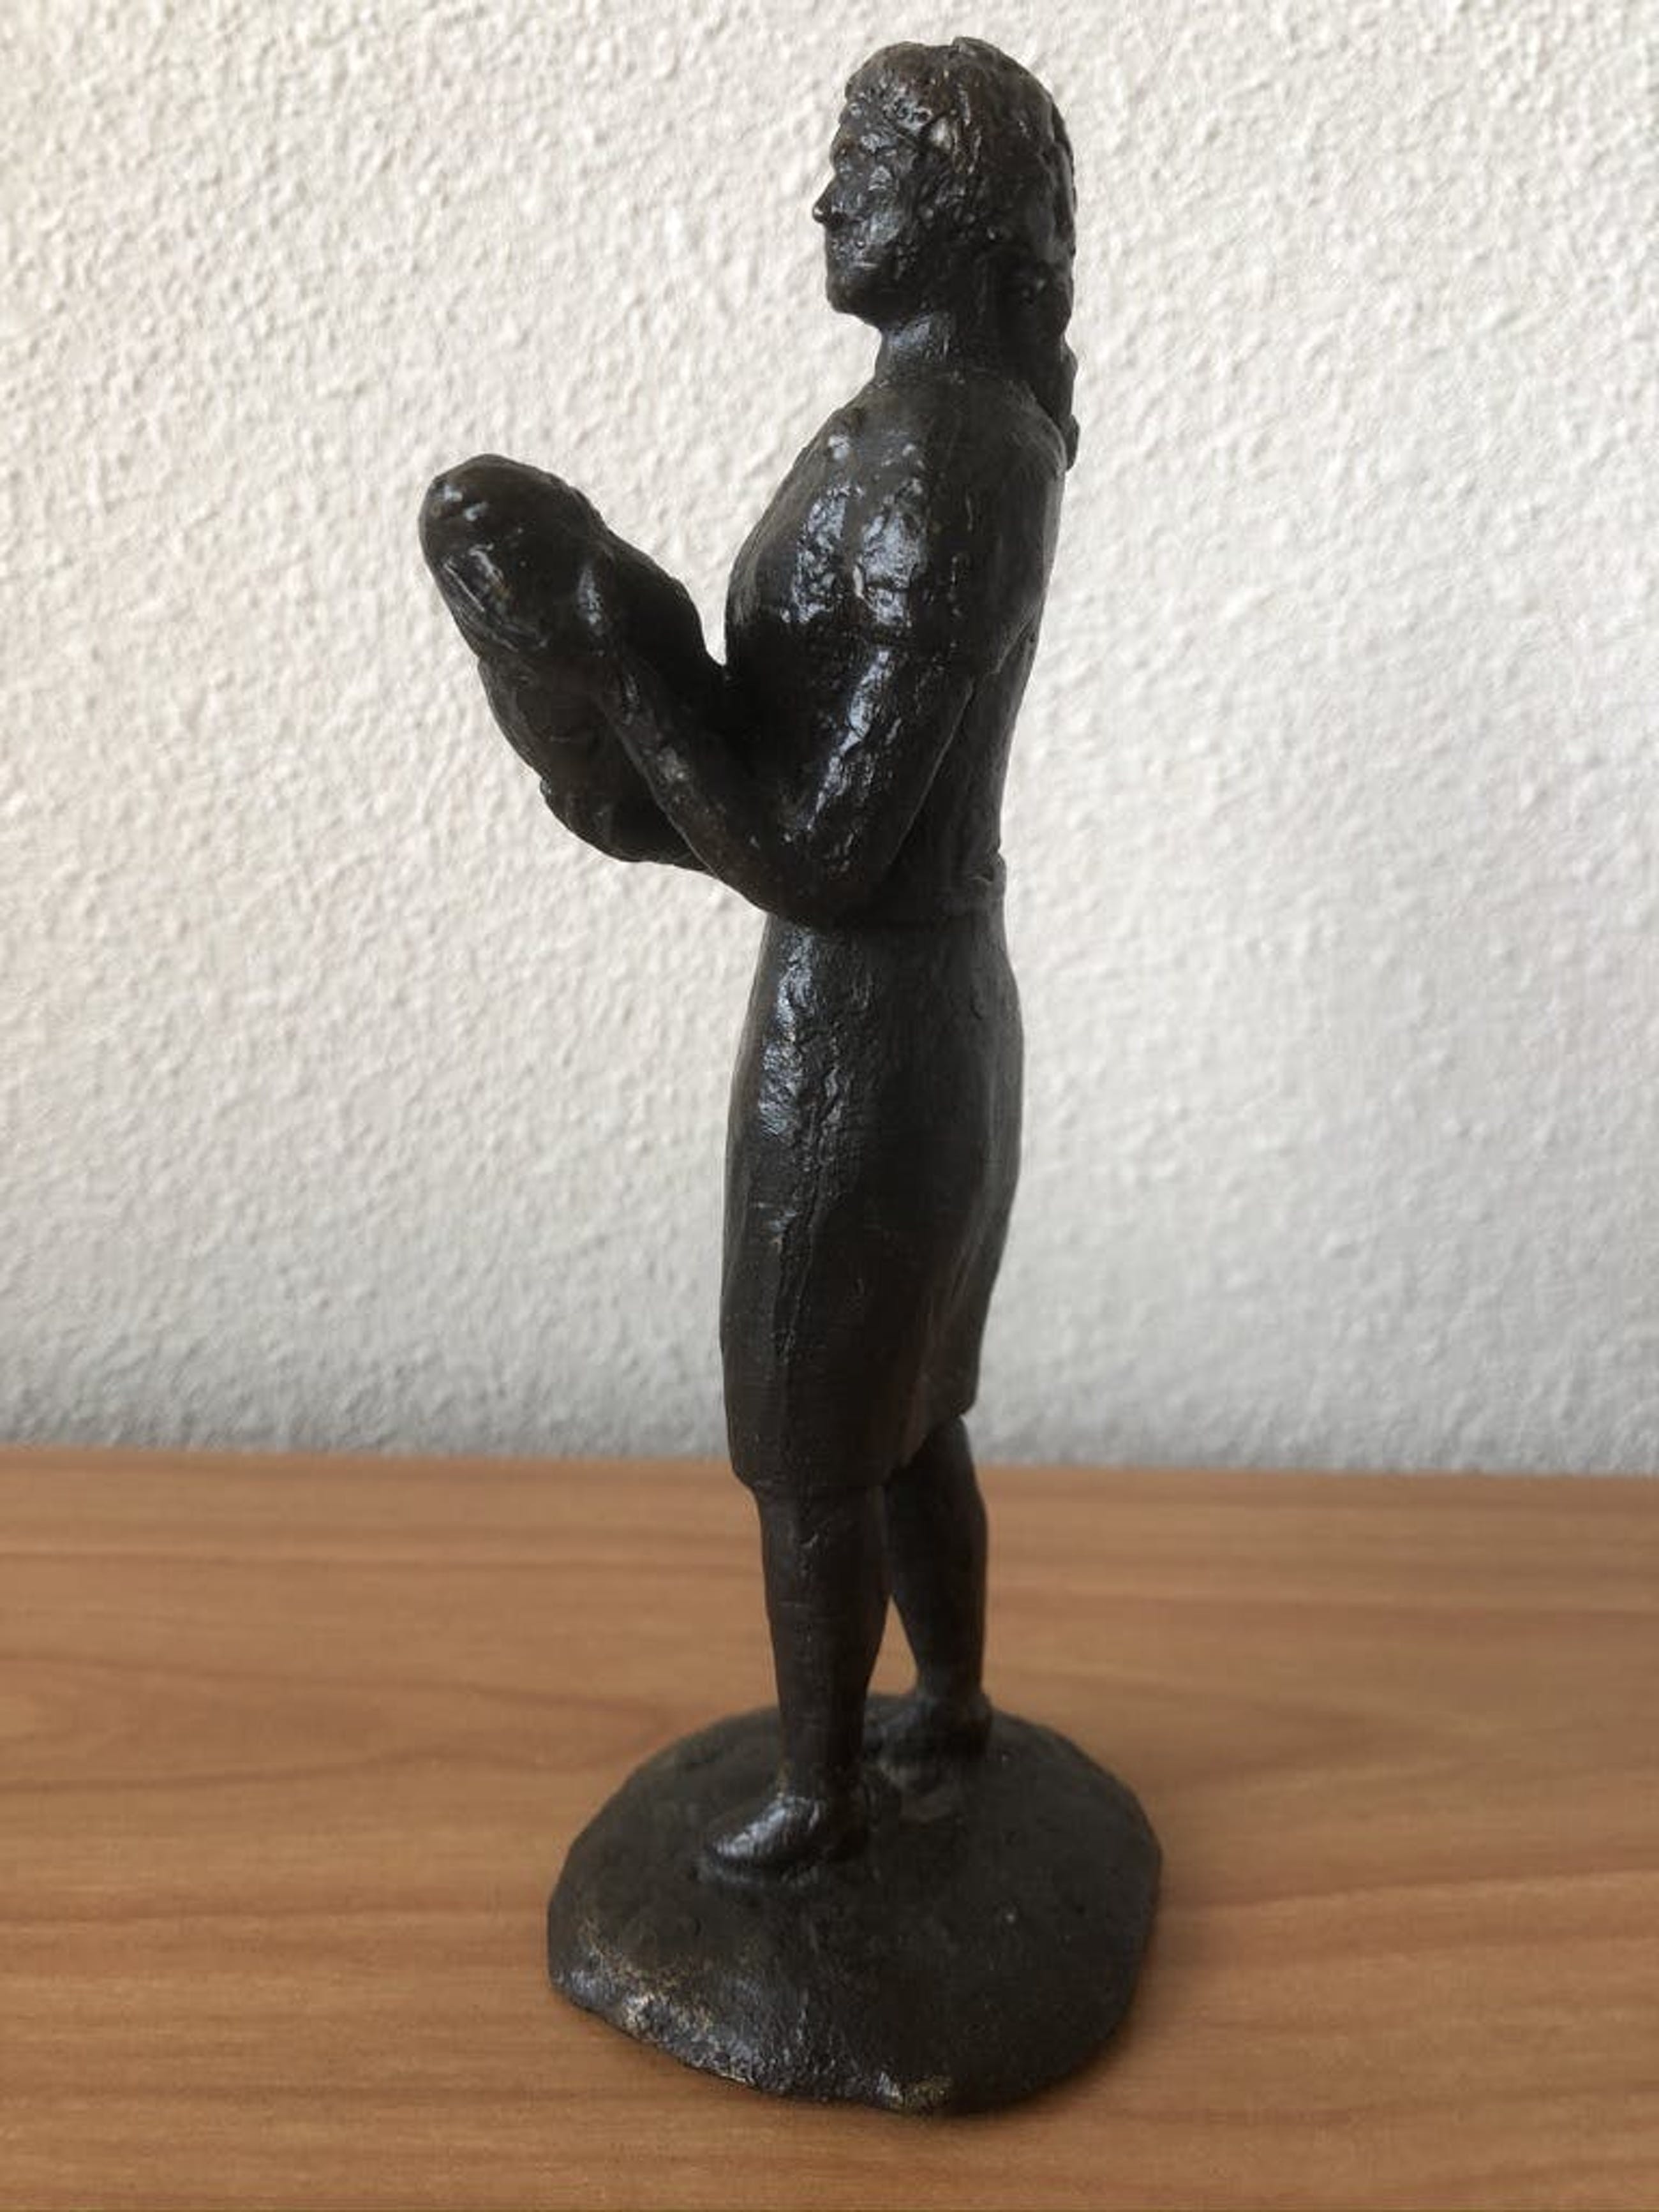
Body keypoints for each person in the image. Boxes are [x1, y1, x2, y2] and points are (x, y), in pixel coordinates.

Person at [427, 37, 1077, 1877]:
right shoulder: (929, 431)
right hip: (915, 1002)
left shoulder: (945, 460)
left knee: (813, 1436)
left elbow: (822, 856)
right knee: (908, 1408)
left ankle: (826, 1793)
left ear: (951, 203)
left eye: (862, 163)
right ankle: (942, 1708)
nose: (825, 195)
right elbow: (761, 796)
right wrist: (569, 693)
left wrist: (611, 664)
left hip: (867, 1022)